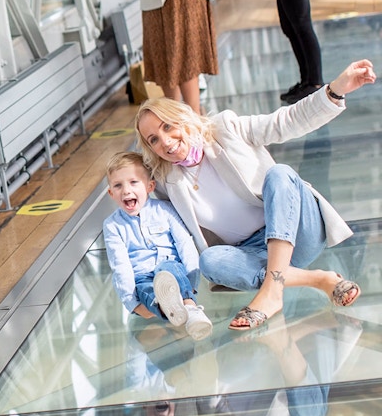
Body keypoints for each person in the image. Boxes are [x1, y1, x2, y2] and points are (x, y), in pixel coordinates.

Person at [134, 59, 376, 331]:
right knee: (210, 261)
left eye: (167, 126)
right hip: (250, 255)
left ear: (183, 118)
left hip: (299, 233)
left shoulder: (225, 128)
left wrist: (334, 91)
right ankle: (317, 279)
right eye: (153, 139)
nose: (164, 141)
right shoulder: (167, 182)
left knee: (280, 174)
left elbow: (286, 121)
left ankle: (272, 293)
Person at [103, 151, 213, 340]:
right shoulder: (112, 226)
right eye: (118, 186)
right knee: (146, 291)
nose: (126, 190)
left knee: (168, 269)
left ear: (149, 186)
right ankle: (169, 310)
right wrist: (133, 304)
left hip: (171, 268)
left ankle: (189, 306)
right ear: (111, 193)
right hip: (142, 276)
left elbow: (184, 243)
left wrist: (192, 281)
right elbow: (120, 265)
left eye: (133, 182)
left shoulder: (164, 210)